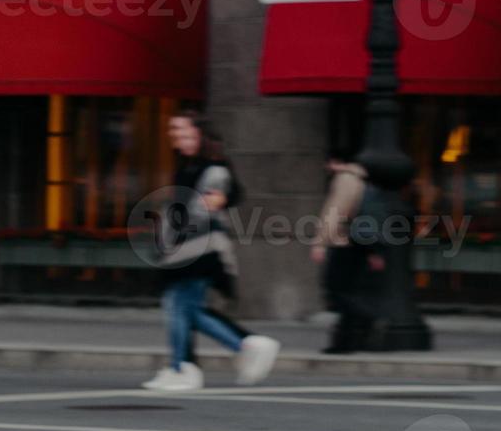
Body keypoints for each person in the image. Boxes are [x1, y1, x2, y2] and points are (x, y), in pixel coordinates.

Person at [143, 111, 280, 391]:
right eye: (174, 132)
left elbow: (203, 209)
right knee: (182, 308)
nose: (176, 137)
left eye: (183, 131)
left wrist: (171, 231)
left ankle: (206, 358)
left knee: (181, 307)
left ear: (199, 133)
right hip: (186, 250)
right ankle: (188, 364)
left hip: (198, 250)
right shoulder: (190, 165)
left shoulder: (213, 169)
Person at [312, 151, 374, 353]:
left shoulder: (345, 179)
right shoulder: (360, 179)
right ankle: (345, 342)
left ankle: (364, 319)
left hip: (342, 243)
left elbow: (334, 211)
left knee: (335, 290)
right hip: (355, 243)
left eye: (328, 163)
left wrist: (320, 243)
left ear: (336, 162)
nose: (326, 168)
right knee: (345, 292)